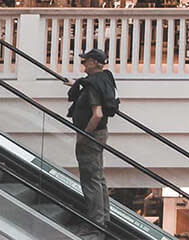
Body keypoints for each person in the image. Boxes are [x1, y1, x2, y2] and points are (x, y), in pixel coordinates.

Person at [66, 47, 117, 240]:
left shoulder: (93, 85)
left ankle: (95, 225)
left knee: (90, 180)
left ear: (95, 62)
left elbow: (97, 114)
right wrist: (73, 84)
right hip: (101, 133)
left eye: (86, 60)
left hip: (91, 135)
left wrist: (85, 134)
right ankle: (104, 217)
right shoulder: (103, 80)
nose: (83, 63)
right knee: (98, 177)